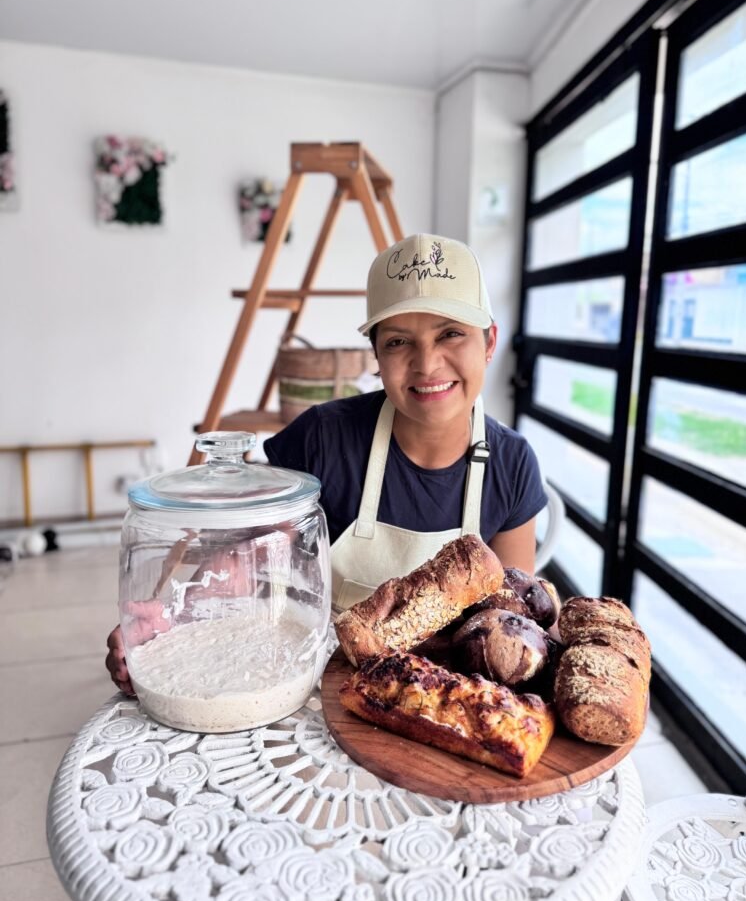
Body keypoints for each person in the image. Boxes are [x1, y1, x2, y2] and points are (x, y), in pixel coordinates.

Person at [106, 233, 547, 693]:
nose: (426, 363)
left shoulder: (512, 464)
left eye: (451, 333)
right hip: (322, 679)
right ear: (376, 355)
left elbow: (514, 623)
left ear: (490, 341)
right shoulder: (323, 438)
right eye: (398, 342)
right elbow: (247, 560)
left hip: (450, 695)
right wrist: (177, 619)